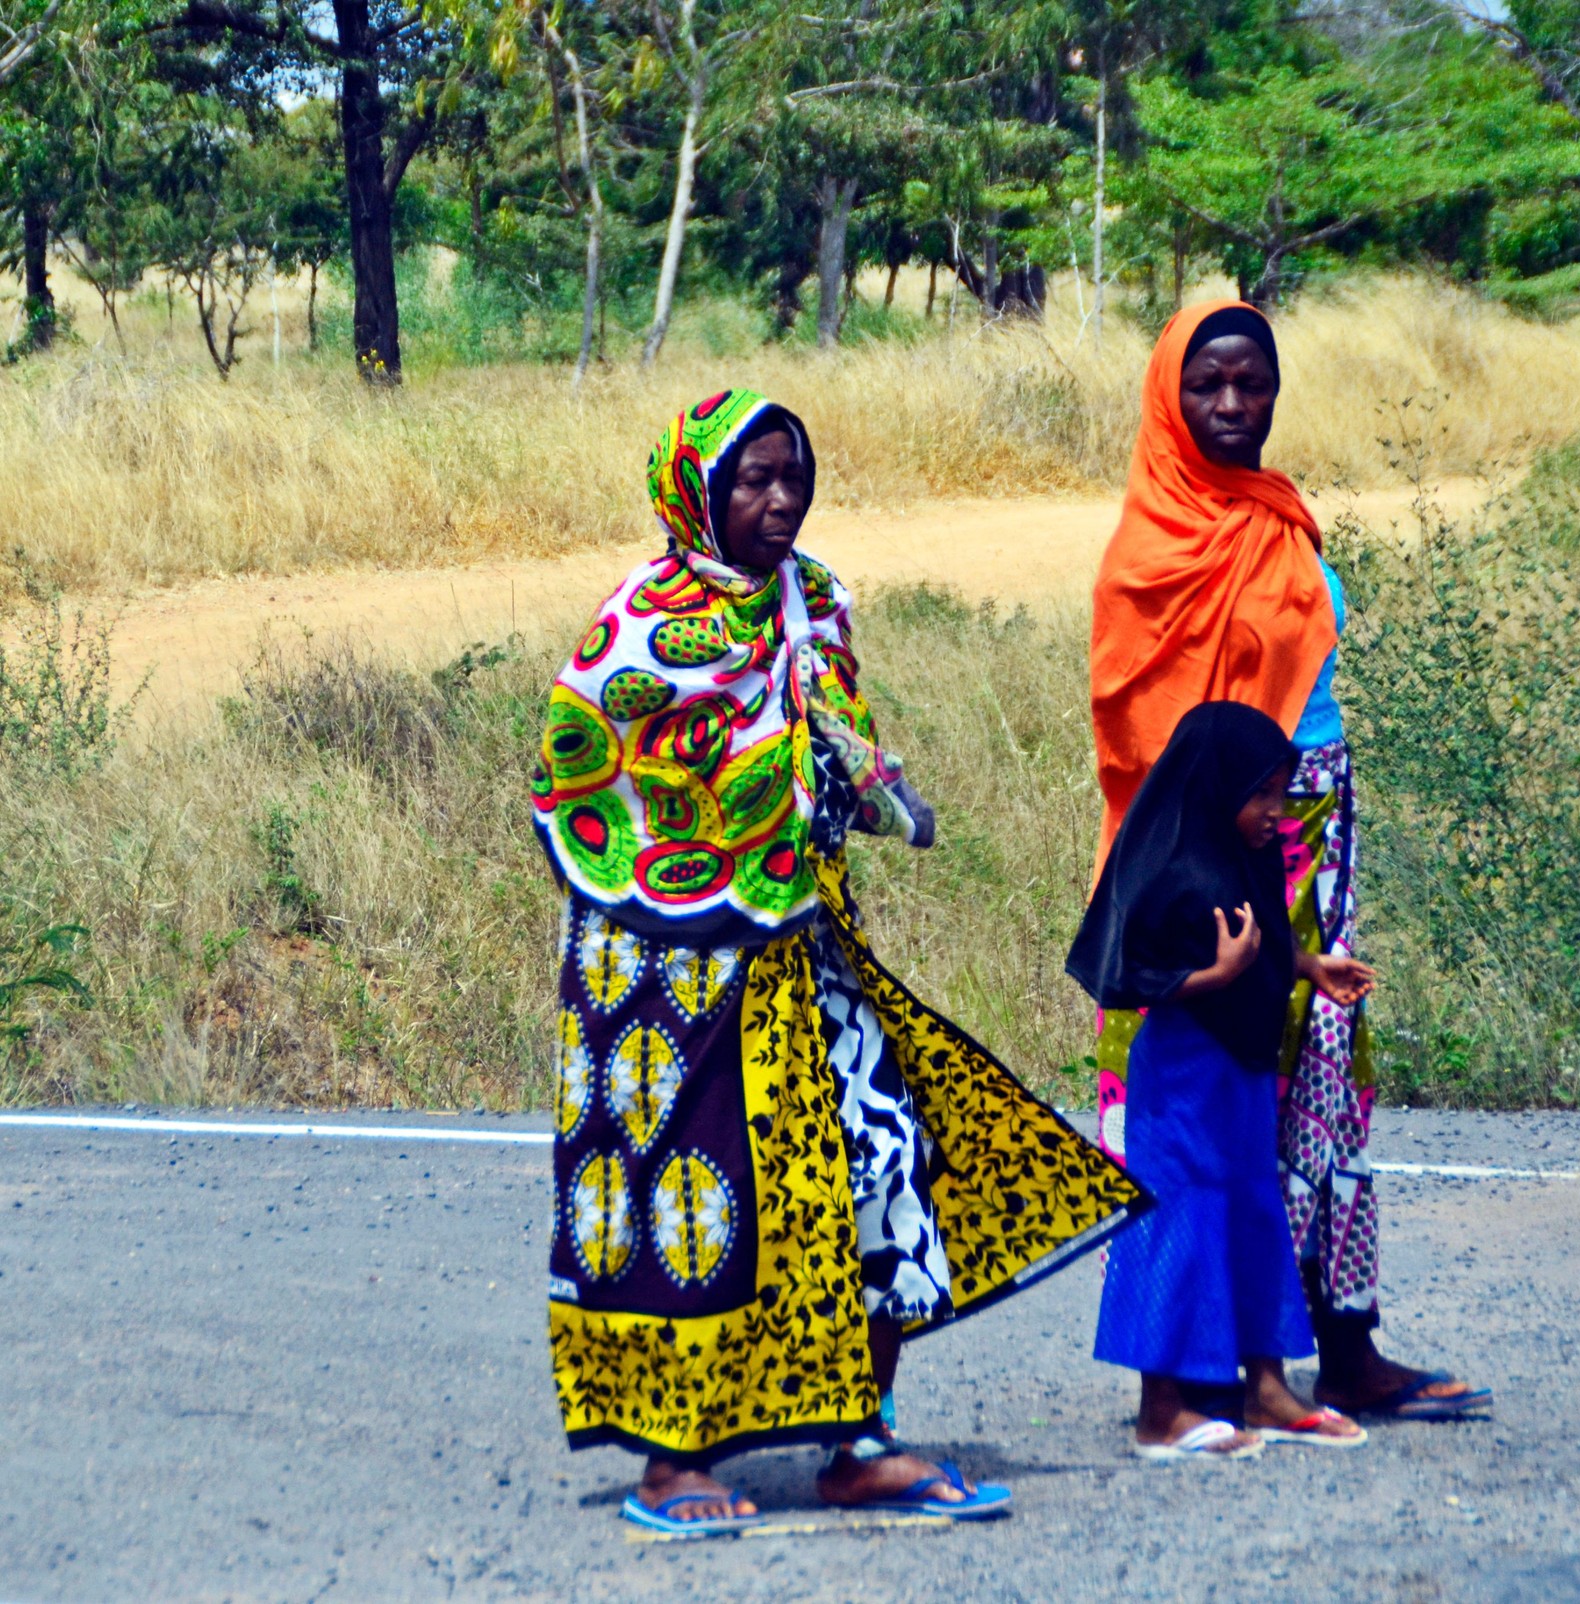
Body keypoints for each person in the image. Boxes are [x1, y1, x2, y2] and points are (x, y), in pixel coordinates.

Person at [532, 389, 1146, 1536]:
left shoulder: (813, 597)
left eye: (791, 477)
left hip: (807, 946)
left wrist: (877, 789)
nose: (778, 501)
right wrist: (738, 820)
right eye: (751, 480)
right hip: (677, 969)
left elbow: (833, 723)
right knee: (704, 1195)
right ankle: (675, 1459)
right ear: (697, 493)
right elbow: (583, 781)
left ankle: (859, 1436)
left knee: (875, 1165)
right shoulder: (640, 626)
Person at [1087, 301, 1492, 1423]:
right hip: (1218, 850)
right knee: (1206, 1096)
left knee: (1323, 1088)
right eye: (1208, 384)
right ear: (1173, 393)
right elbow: (1144, 747)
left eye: (1251, 383)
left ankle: (1341, 1344)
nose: (1231, 406)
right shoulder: (1146, 551)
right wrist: (1224, 874)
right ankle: (1193, 1369)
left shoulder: (1282, 518)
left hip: (1319, 826)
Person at [1069, 702, 1376, 1457]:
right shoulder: (1170, 864)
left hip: (1239, 1068)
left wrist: (1306, 964)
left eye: (1280, 792)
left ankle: (1266, 1389)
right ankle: (1161, 1411)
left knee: (1251, 1209)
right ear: (1216, 785)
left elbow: (1264, 935)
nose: (1274, 812)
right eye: (1260, 794)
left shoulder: (1246, 853)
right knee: (1178, 1219)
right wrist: (1217, 974)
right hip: (1183, 1075)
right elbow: (1127, 974)